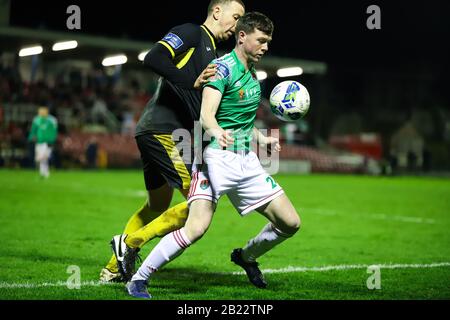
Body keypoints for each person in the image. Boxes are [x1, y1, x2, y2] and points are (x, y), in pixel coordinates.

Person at [122, 11, 301, 299]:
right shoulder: (221, 68)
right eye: (262, 40)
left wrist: (261, 138)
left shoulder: (253, 76)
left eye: (269, 41)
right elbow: (207, 115)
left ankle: (246, 256)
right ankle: (139, 280)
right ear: (242, 37)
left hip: (246, 162)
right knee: (196, 229)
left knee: (290, 223)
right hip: (214, 159)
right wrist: (216, 131)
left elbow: (242, 120)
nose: (266, 47)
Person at [101, 0, 246, 282]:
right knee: (199, 204)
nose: (238, 25)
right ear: (217, 11)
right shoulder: (192, 33)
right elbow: (153, 58)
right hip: (164, 131)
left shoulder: (215, 53)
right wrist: (189, 81)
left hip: (161, 131)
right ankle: (130, 244)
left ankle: (113, 268)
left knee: (157, 204)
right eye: (236, 16)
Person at [28, 106, 58, 179]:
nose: (40, 113)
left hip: (47, 142)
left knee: (43, 157)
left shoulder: (52, 120)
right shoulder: (37, 119)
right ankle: (43, 172)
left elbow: (54, 131)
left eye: (42, 111)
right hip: (39, 141)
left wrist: (52, 140)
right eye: (40, 111)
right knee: (40, 158)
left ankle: (45, 172)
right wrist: (30, 137)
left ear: (46, 112)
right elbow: (33, 130)